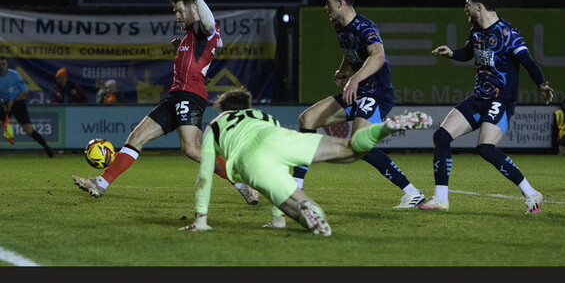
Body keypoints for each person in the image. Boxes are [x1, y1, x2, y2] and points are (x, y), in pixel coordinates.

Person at [73, 0, 259, 205]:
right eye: (175, 12)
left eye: (180, 11)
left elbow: (209, 25)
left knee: (191, 149)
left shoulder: (202, 29)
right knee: (136, 137)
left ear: (193, 9)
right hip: (177, 96)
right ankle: (100, 183)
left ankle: (241, 180)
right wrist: (180, 47)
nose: (177, 16)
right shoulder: (190, 37)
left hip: (190, 95)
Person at [179, 87, 433, 235]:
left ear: (224, 110)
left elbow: (204, 175)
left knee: (296, 206)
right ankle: (386, 128)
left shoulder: (215, 125)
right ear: (246, 106)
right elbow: (280, 156)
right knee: (352, 148)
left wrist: (201, 220)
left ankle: (312, 217)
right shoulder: (260, 115)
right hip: (281, 138)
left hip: (251, 159)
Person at [291, 0, 427, 209]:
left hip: (375, 93)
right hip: (358, 92)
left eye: (328, 3)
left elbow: (378, 56)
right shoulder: (340, 26)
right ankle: (296, 187)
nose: (326, 7)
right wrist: (344, 70)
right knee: (308, 119)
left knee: (359, 145)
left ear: (340, 3)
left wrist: (354, 79)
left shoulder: (365, 26)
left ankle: (412, 192)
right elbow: (350, 51)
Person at [420, 0, 555, 213]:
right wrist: (452, 53)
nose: (465, 9)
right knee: (441, 136)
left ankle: (532, 193)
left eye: (468, 5)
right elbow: (468, 53)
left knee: (485, 148)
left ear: (479, 7)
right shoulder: (476, 32)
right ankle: (441, 199)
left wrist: (541, 84)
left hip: (500, 101)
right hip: (478, 98)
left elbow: (528, 62)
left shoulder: (507, 33)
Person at [0, 56, 55, 159]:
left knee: (28, 130)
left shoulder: (14, 75)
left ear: (7, 65)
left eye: (3, 64)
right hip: (5, 104)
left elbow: (24, 91)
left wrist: (13, 100)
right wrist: (2, 105)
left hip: (18, 103)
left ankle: (47, 149)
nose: (1, 66)